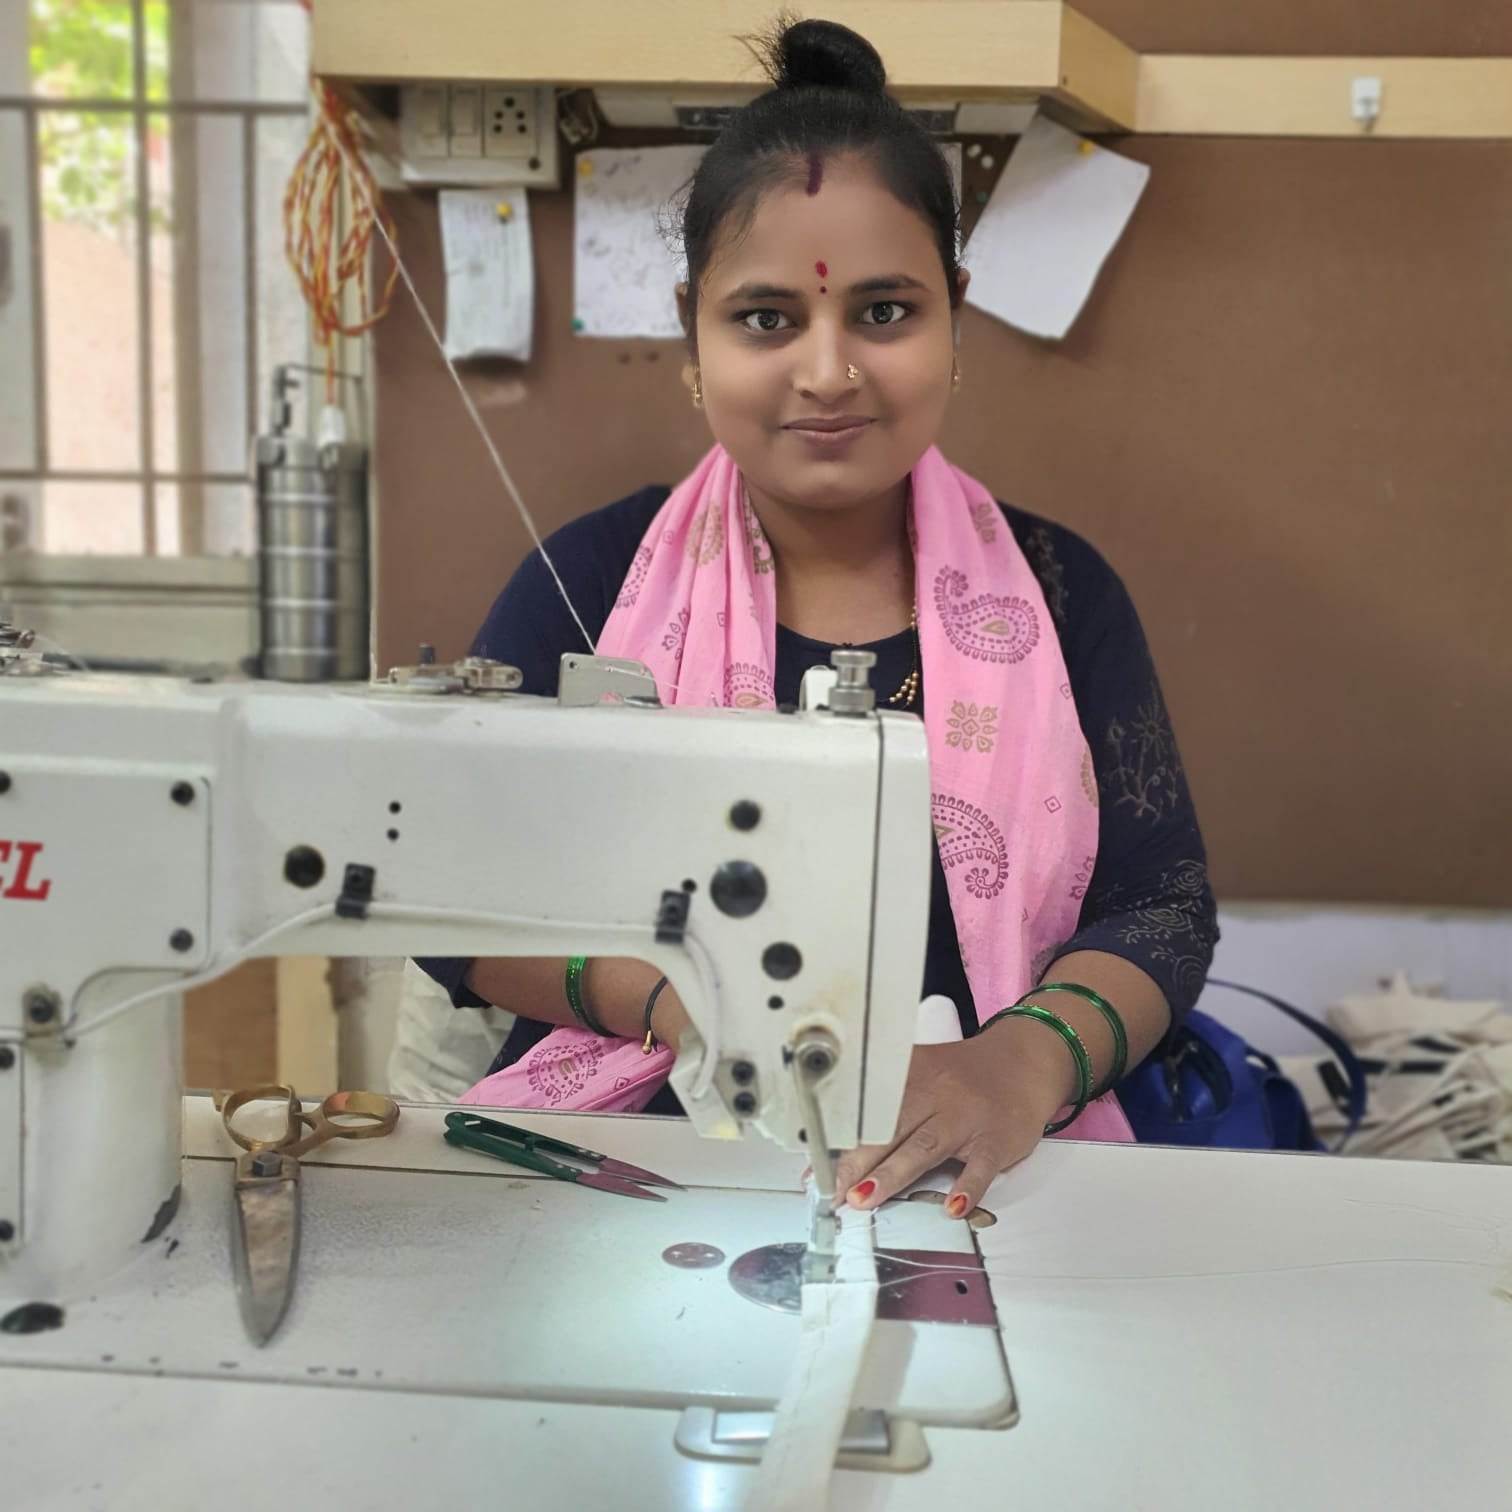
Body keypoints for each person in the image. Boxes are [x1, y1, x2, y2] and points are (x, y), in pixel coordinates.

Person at [417, 17, 1217, 1220]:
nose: (830, 370)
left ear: (955, 315)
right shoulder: (590, 584)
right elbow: (445, 889)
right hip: (633, 1175)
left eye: (885, 313)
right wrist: (672, 1004)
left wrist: (1022, 1060)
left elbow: (1162, 907)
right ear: (691, 331)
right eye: (766, 318)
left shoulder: (1063, 596)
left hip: (978, 1174)